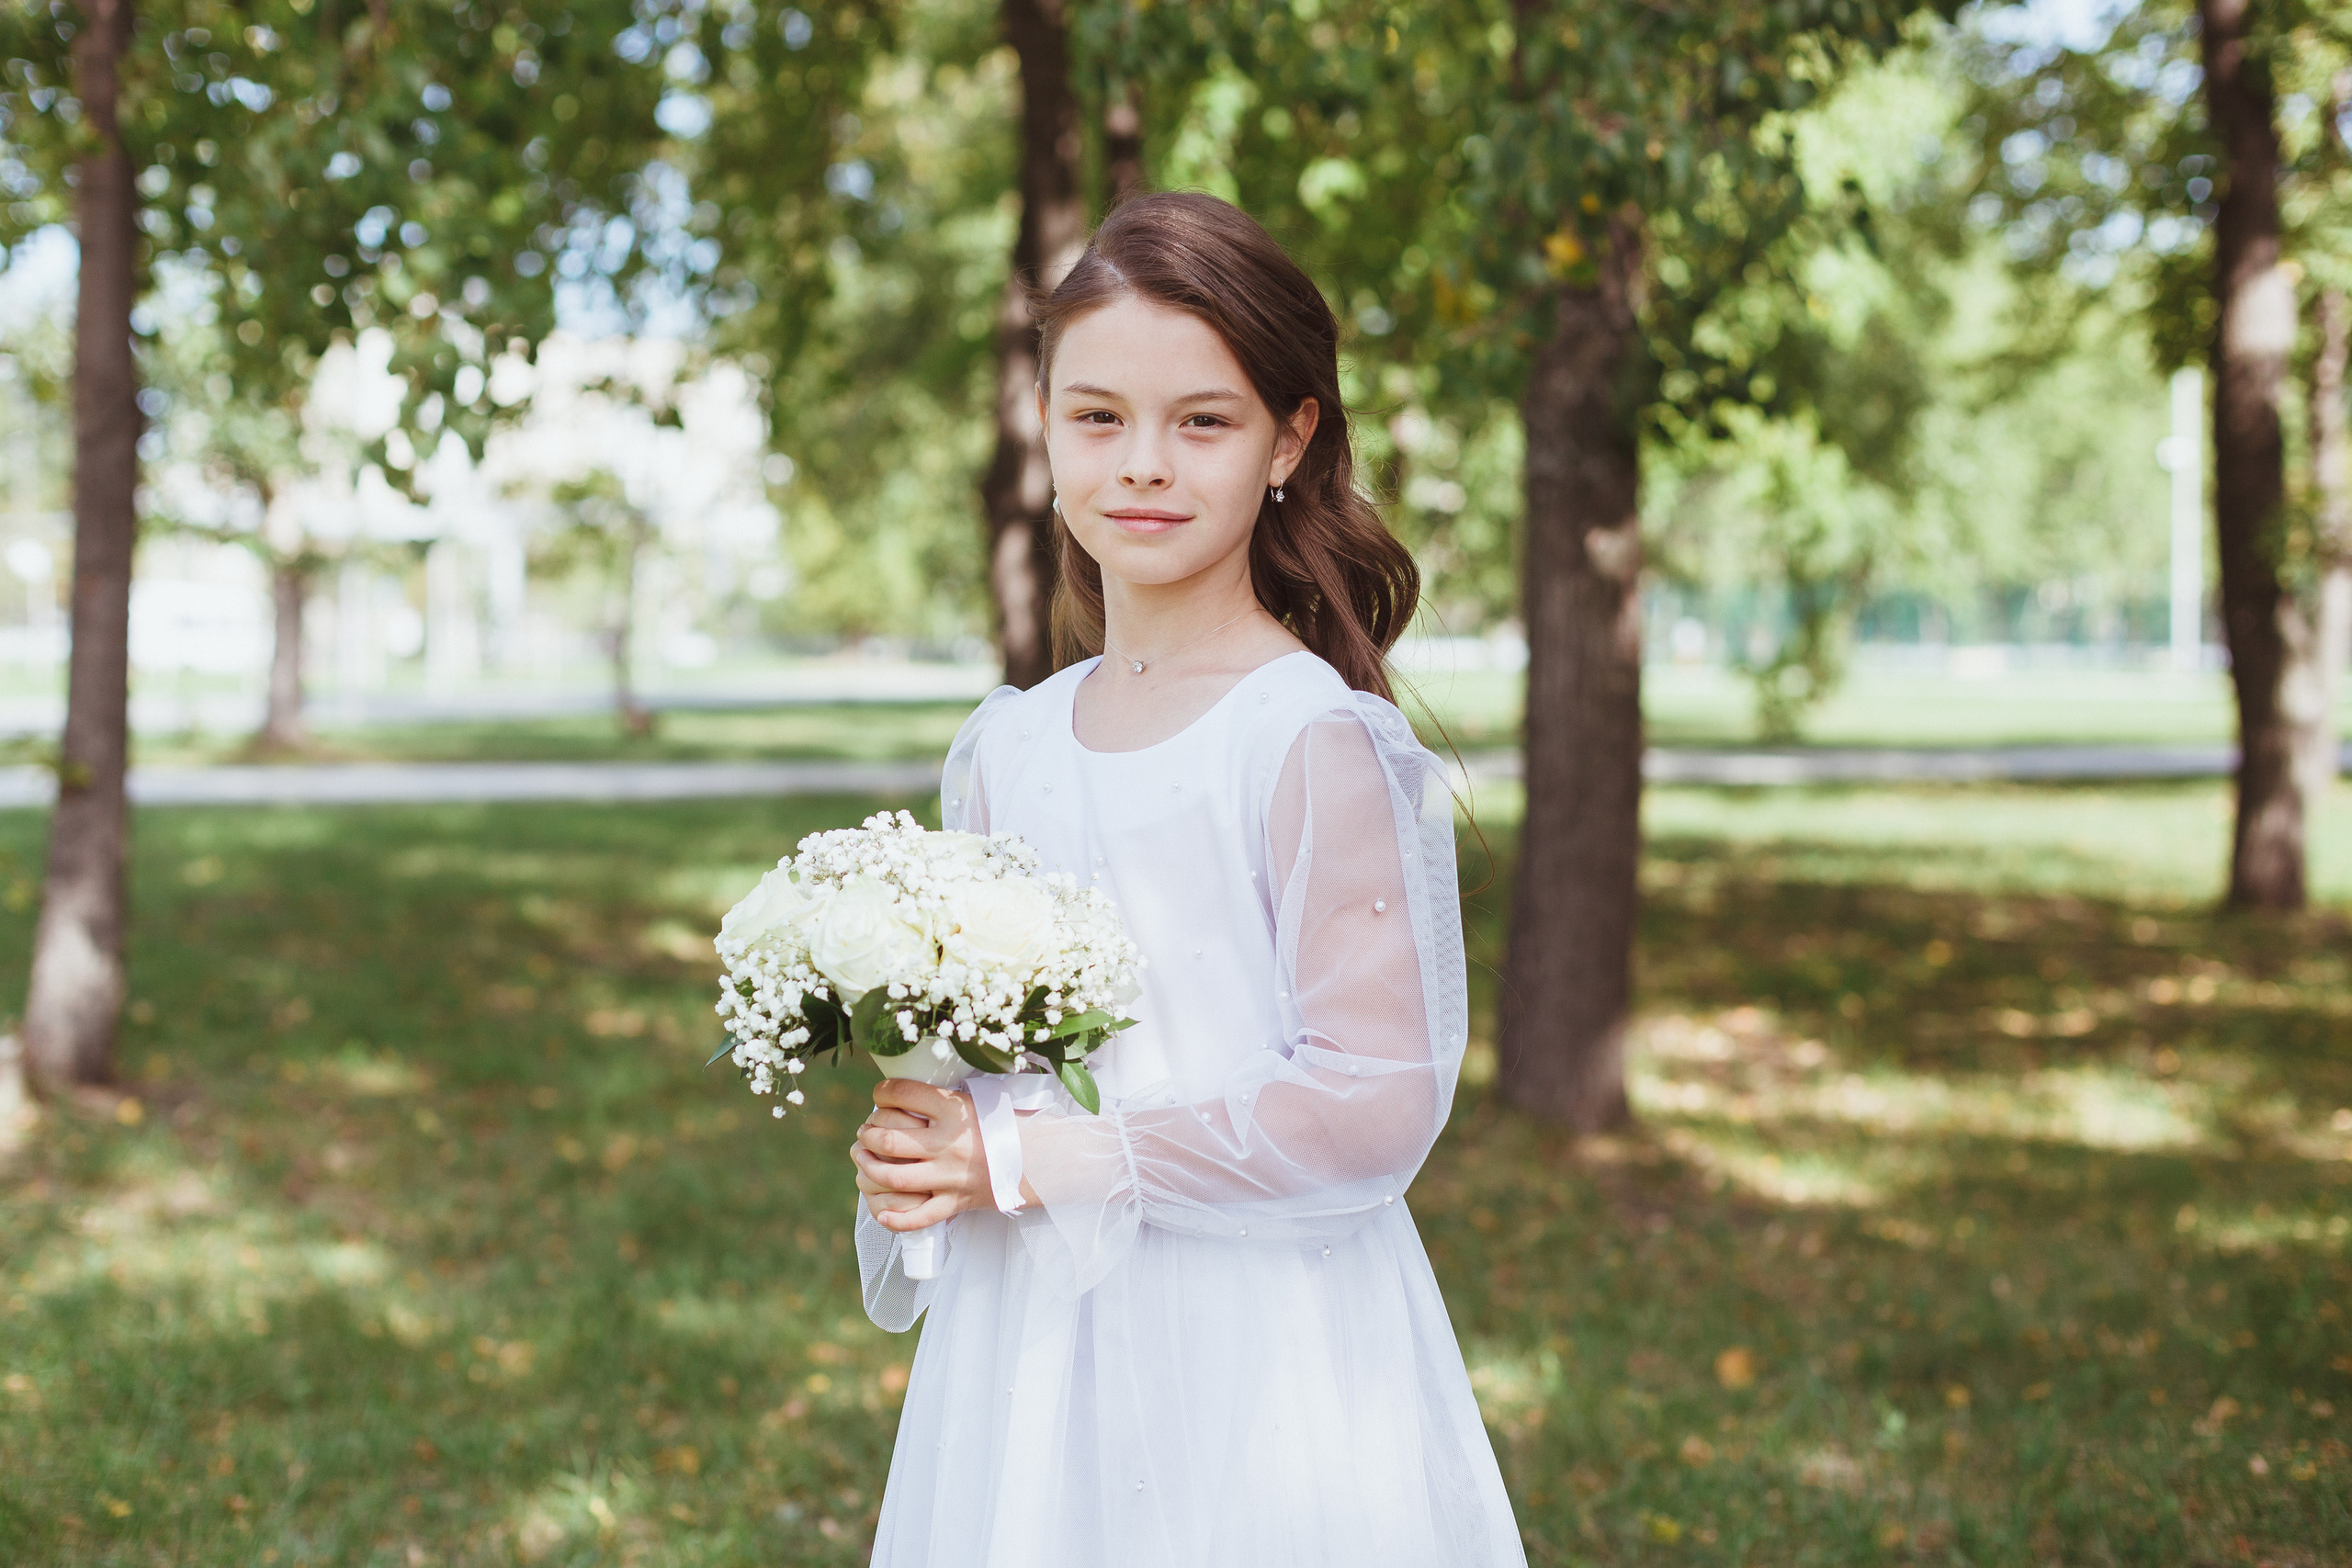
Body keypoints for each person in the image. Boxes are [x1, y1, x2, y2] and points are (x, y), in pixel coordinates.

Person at [847, 190, 1525, 1568]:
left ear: (1290, 439)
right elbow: (998, 1052)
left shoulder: (1310, 735)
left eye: (1202, 421)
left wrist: (1033, 1158)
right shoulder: (1007, 743)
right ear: (1044, 426)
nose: (1143, 463)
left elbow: (1371, 1103)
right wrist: (936, 1141)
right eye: (1098, 417)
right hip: (1028, 1340)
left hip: (1252, 1343)